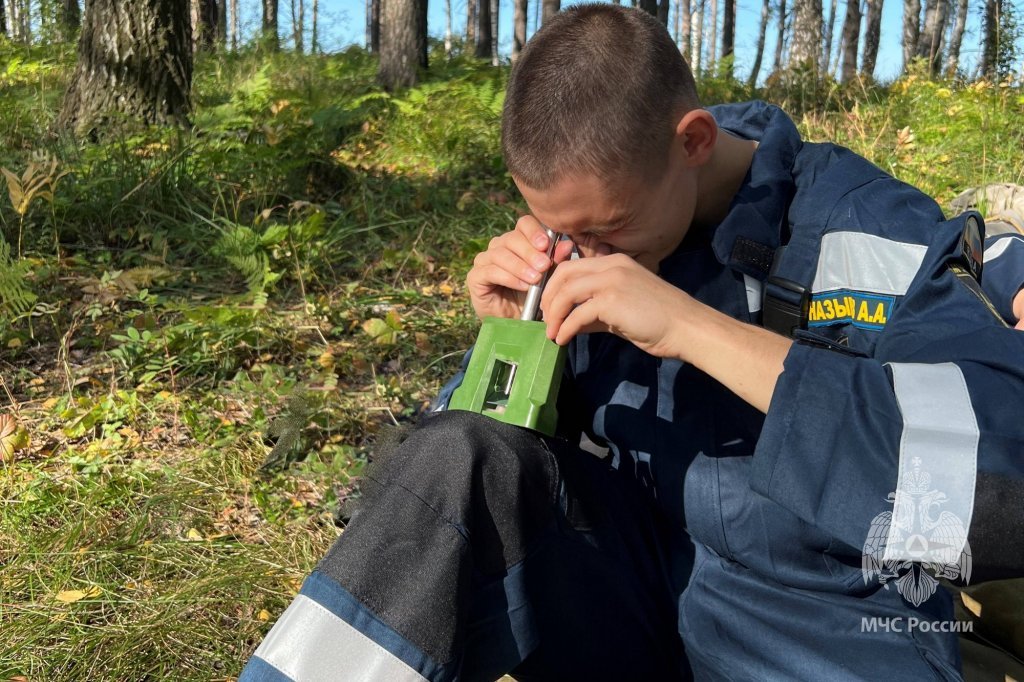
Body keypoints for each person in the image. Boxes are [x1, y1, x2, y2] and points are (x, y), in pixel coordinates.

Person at [239, 5, 1024, 681]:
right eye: (559, 229)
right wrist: (509, 341)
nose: (581, 254)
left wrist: (693, 327)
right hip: (628, 616)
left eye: (602, 229)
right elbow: (480, 497)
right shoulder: (602, 238)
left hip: (820, 635)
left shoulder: (872, 228)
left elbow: (995, 482)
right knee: (460, 452)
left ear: (691, 141)